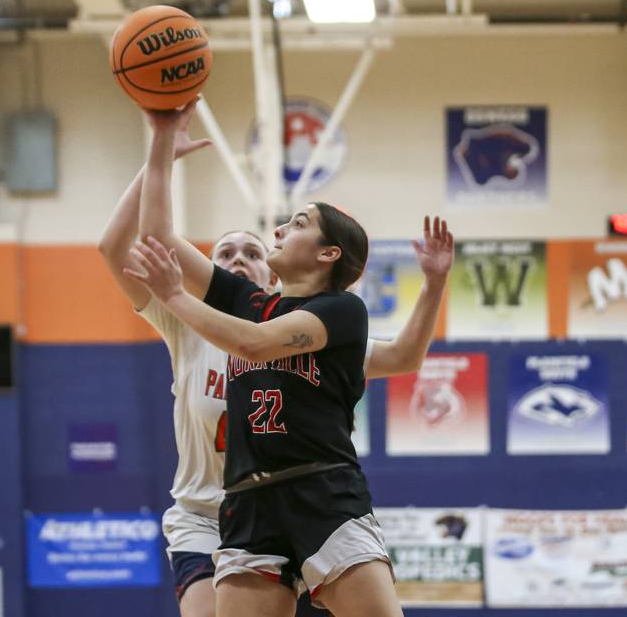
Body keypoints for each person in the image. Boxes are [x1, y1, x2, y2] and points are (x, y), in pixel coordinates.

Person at [122, 104, 454, 617]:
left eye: (297, 224)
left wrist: (177, 299)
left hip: (323, 492)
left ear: (327, 255)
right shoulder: (246, 301)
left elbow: (254, 345)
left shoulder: (342, 312)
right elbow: (160, 238)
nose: (278, 230)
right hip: (247, 502)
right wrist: (162, 140)